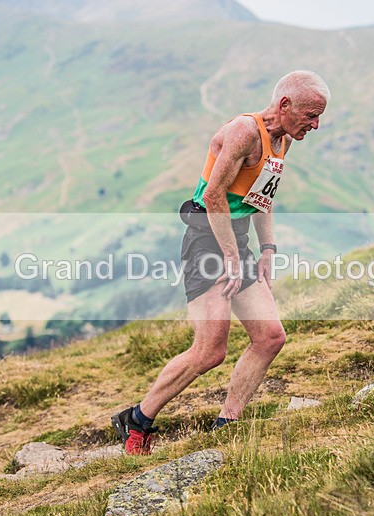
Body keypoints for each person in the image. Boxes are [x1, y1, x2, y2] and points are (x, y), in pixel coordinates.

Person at [113, 70, 330, 455]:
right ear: (285, 105)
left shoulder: (282, 142)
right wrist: (231, 257)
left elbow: (262, 197)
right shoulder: (244, 132)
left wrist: (267, 250)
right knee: (210, 350)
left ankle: (226, 425)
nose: (315, 124)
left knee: (270, 337)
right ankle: (138, 419)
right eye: (311, 115)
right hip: (205, 238)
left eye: (319, 117)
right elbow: (213, 195)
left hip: (236, 237)